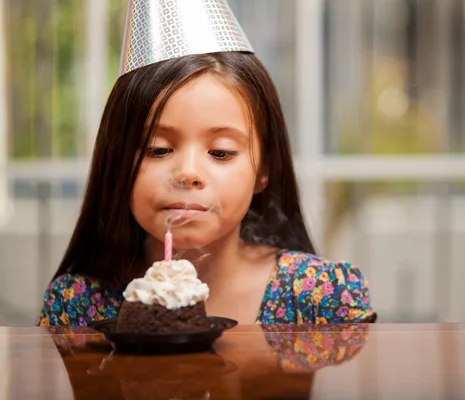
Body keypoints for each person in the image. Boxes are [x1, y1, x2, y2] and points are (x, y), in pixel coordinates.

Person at [36, 0, 376, 327]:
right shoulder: (77, 305)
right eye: (157, 149)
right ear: (117, 161)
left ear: (264, 170)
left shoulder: (319, 297)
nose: (188, 173)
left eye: (222, 152)